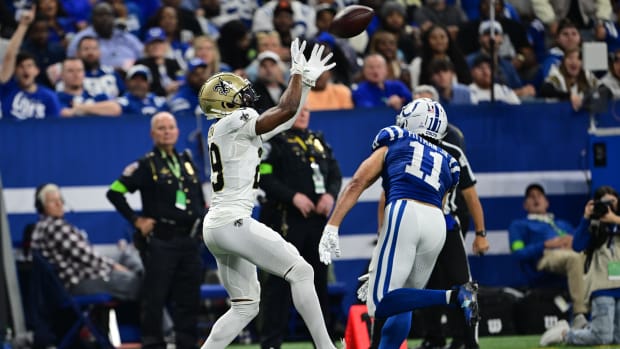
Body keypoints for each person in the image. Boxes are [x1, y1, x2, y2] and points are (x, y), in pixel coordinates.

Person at [198, 38, 337, 349]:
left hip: (218, 225)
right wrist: (297, 73)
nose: (247, 95)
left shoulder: (227, 127)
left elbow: (286, 116)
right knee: (302, 271)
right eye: (240, 93)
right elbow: (286, 108)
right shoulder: (237, 120)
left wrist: (308, 83)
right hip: (232, 221)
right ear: (226, 104)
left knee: (245, 305)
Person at [318, 98, 479, 348]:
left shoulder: (396, 137)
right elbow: (443, 201)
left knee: (382, 301)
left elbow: (357, 183)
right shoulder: (449, 160)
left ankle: (454, 295)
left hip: (406, 210)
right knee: (406, 300)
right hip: (438, 223)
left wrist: (332, 225)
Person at [106, 112, 206, 349]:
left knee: (189, 300)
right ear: (152, 133)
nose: (167, 131)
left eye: (171, 127)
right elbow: (114, 192)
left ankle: (188, 345)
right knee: (155, 300)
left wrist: (202, 222)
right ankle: (153, 344)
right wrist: (136, 220)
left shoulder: (187, 161)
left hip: (190, 242)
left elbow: (198, 198)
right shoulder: (145, 164)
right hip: (162, 242)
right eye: (161, 128)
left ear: (178, 131)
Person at [257, 105, 343, 349]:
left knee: (318, 283)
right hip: (284, 221)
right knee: (279, 284)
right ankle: (271, 342)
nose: (302, 114)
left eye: (306, 110)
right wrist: (292, 196)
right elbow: (264, 174)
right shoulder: (275, 141)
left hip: (315, 222)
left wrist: (330, 194)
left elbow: (335, 174)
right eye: (297, 110)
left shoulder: (318, 141)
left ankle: (321, 342)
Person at [31, 183, 143, 299]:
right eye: (53, 201)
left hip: (78, 277)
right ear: (42, 206)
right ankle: (145, 276)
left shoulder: (39, 227)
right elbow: (87, 256)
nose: (59, 204)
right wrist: (114, 266)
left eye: (60, 200)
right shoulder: (56, 227)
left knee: (124, 255)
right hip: (80, 281)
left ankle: (142, 272)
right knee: (140, 283)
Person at [540, 186, 620, 346]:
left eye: (612, 202)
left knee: (616, 338)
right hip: (602, 286)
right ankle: (563, 334)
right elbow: (577, 246)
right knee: (602, 337)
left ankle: (582, 328)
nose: (608, 207)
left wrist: (614, 219)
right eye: (604, 203)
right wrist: (586, 218)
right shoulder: (593, 225)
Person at [508, 183, 589, 329]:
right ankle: (580, 315)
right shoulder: (519, 225)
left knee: (599, 258)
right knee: (574, 259)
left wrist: (572, 242)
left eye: (539, 196)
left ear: (547, 202)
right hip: (545, 257)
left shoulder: (563, 224)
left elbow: (579, 241)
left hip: (571, 252)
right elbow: (519, 253)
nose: (536, 199)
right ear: (525, 205)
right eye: (531, 197)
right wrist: (546, 244)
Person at [0, 6, 62, 120]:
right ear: (15, 71)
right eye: (21, 67)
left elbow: (54, 128)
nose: (25, 70)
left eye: (29, 66)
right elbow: (9, 56)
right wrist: (23, 26)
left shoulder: (48, 96)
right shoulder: (7, 89)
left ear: (37, 70)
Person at [57, 57, 121, 117]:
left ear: (84, 74)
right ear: (62, 75)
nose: (76, 74)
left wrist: (79, 108)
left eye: (79, 70)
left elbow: (115, 109)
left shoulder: (94, 95)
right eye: (70, 71)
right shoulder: (57, 98)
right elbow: (63, 113)